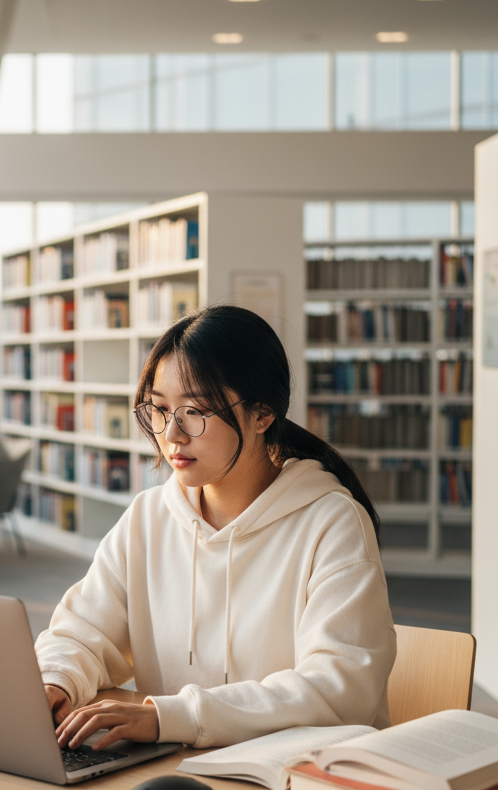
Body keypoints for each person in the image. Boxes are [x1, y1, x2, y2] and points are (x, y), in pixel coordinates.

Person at [35, 304, 396, 753]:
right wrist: (57, 682)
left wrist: (172, 717)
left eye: (195, 411)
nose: (172, 436)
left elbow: (341, 690)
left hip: (297, 777)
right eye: (161, 409)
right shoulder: (149, 518)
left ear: (263, 414)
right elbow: (80, 632)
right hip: (175, 768)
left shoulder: (333, 524)